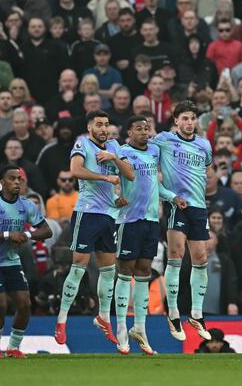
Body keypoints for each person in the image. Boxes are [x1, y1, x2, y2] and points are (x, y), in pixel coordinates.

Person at [54, 110, 134, 346]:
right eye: (98, 124)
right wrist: (106, 179)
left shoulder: (114, 146)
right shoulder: (82, 145)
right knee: (78, 266)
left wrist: (113, 159)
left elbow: (129, 174)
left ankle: (103, 317)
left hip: (109, 215)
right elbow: (76, 171)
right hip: (87, 213)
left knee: (109, 270)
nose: (103, 128)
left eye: (106, 124)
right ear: (89, 128)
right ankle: (62, 319)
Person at [114, 116, 183, 354]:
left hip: (151, 221)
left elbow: (155, 184)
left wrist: (172, 196)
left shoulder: (154, 152)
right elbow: (112, 181)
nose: (144, 132)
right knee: (125, 272)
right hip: (128, 220)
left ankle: (139, 328)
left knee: (144, 271)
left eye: (147, 128)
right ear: (129, 132)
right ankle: (121, 329)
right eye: (139, 129)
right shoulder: (121, 153)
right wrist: (114, 196)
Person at [0, 165, 52, 358]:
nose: (17, 182)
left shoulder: (27, 205)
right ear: (2, 182)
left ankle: (13, 347)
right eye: (12, 178)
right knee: (1, 305)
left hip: (11, 261)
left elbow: (46, 231)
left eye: (19, 179)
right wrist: (9, 235)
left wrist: (25, 234)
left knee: (25, 304)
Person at [152, 100, 213, 342]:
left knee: (201, 258)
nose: (189, 123)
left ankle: (196, 314)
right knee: (176, 255)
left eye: (192, 118)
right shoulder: (164, 140)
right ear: (175, 120)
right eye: (184, 118)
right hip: (177, 205)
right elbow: (143, 158)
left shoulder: (204, 145)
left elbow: (205, 170)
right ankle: (174, 312)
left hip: (198, 207)